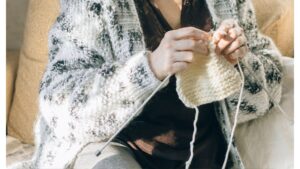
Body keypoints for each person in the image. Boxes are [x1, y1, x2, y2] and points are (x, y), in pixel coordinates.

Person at [7, 0, 283, 169]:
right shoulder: (93, 4)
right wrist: (149, 69)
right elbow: (58, 101)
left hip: (204, 154)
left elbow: (269, 88)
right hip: (117, 148)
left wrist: (239, 63)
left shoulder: (227, 3)